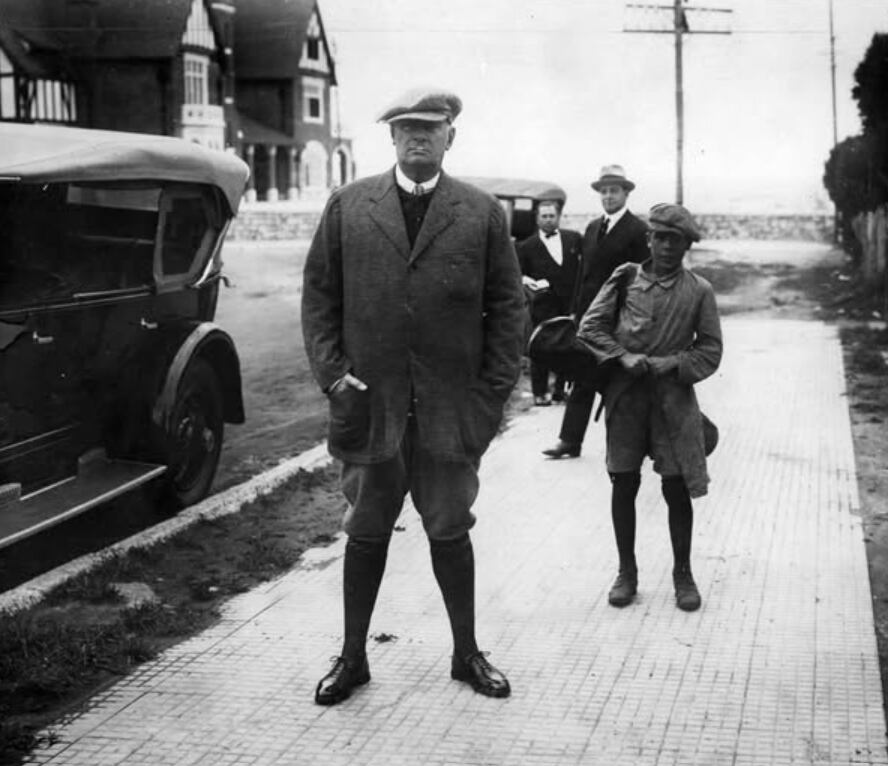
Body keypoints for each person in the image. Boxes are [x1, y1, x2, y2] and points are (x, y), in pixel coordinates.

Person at [301, 87, 525, 705]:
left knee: (451, 528)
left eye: (430, 127)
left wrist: (490, 395)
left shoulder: (480, 212)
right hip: (370, 408)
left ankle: (465, 654)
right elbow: (320, 299)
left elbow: (509, 310)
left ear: (451, 136)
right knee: (365, 531)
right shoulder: (348, 206)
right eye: (405, 128)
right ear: (390, 137)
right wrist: (334, 375)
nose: (417, 137)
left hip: (451, 415)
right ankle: (351, 660)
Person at [576, 203, 723, 611]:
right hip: (625, 400)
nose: (667, 247)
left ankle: (683, 573)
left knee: (676, 488)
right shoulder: (626, 277)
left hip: (673, 403)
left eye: (677, 240)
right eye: (660, 237)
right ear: (649, 239)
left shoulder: (699, 291)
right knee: (623, 483)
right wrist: (621, 357)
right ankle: (627, 572)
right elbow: (590, 327)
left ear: (687, 246)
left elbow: (710, 351)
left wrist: (672, 363)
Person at [542, 165, 648, 458]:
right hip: (589, 319)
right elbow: (583, 276)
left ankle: (631, 445)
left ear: (626, 193)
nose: (608, 196)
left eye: (614, 191)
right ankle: (570, 441)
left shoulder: (638, 231)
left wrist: (633, 321)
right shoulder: (591, 229)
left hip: (619, 321)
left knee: (621, 384)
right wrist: (576, 311)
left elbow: (642, 281)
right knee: (583, 377)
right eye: (604, 191)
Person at [516, 199, 582, 406]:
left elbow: (582, 268)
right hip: (543, 305)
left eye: (551, 216)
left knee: (569, 346)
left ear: (558, 217)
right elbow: (519, 274)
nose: (548, 220)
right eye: (543, 216)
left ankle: (560, 391)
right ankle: (539, 392)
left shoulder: (573, 239)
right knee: (541, 348)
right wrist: (531, 282)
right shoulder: (527, 246)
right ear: (537, 219)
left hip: (569, 303)